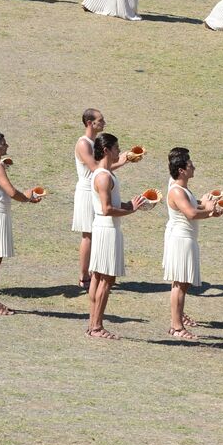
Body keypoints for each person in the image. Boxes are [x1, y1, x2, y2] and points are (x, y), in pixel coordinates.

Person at [87, 133, 148, 340]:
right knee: (106, 279)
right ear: (106, 150)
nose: (119, 152)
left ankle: (93, 324)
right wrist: (131, 211)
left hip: (104, 228)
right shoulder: (103, 176)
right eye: (116, 148)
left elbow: (112, 204)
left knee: (98, 277)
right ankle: (96, 326)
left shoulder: (101, 174)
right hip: (107, 230)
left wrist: (132, 205)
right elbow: (106, 209)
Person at [162, 147, 223, 340]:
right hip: (181, 240)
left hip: (187, 238)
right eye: (190, 165)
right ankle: (177, 327)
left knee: (183, 284)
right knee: (179, 285)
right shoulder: (176, 190)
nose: (193, 167)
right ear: (181, 170)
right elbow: (190, 213)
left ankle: (177, 323)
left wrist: (209, 210)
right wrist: (208, 210)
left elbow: (192, 208)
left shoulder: (182, 189)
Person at [73, 109, 139, 290]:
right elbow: (96, 168)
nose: (104, 123)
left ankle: (97, 271)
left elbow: (104, 167)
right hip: (87, 191)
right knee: (88, 234)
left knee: (96, 233)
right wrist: (122, 161)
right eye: (100, 121)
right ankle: (84, 276)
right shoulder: (83, 143)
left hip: (95, 188)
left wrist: (121, 159)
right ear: (89, 123)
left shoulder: (96, 143)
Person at [0, 131, 41, 316]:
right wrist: (28, 198)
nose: (7, 146)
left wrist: (27, 196)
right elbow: (12, 192)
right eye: (4, 144)